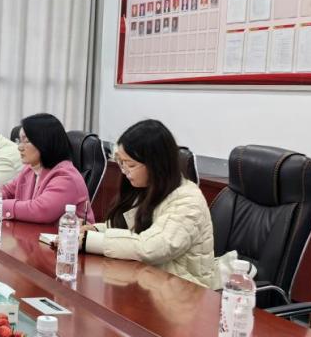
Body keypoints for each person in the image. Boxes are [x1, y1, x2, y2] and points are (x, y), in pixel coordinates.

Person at [81, 119, 217, 288]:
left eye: (130, 165)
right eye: (121, 163)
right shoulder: (149, 188)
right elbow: (128, 230)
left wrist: (89, 241)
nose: (124, 171)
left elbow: (150, 247)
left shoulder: (189, 200)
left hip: (186, 291)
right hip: (151, 283)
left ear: (155, 164)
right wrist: (95, 230)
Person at [0, 113, 93, 225]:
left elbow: (40, 210)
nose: (20, 147)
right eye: (19, 141)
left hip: (67, 238)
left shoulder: (66, 177)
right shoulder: (30, 169)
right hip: (32, 234)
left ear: (45, 143)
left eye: (26, 141)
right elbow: (8, 191)